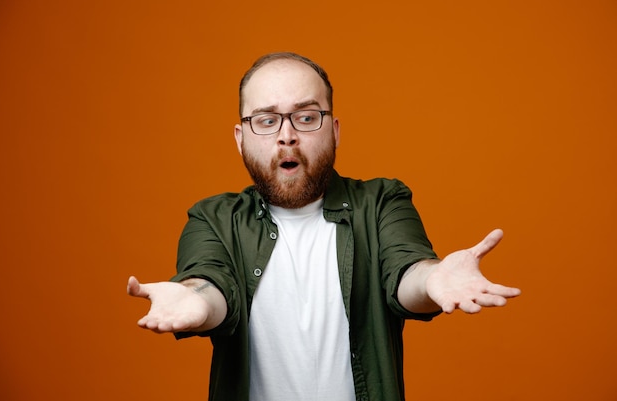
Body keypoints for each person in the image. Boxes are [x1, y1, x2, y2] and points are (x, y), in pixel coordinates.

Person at [127, 52, 521, 401]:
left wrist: (433, 279)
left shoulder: (382, 202)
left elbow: (406, 272)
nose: (287, 136)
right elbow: (211, 286)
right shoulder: (212, 219)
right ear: (241, 137)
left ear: (333, 130)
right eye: (266, 120)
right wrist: (196, 300)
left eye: (306, 117)